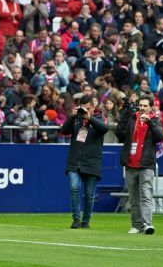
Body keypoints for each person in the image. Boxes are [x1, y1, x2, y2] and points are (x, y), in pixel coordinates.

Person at [116, 95, 163, 234]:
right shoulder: (132, 118)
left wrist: (150, 122)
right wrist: (124, 114)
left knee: (146, 195)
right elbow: (120, 132)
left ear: (150, 107)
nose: (142, 108)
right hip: (131, 163)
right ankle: (136, 225)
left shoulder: (155, 120)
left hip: (146, 164)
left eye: (145, 106)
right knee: (134, 198)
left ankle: (147, 224)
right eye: (140, 105)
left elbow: (160, 137)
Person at [61, 97, 108, 229]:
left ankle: (86, 221)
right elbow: (64, 131)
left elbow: (104, 129)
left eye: (88, 108)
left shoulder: (98, 119)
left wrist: (89, 117)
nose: (85, 111)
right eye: (83, 108)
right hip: (75, 160)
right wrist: (71, 117)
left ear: (93, 108)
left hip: (92, 162)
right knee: (74, 188)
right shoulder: (75, 120)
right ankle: (76, 219)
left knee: (89, 194)